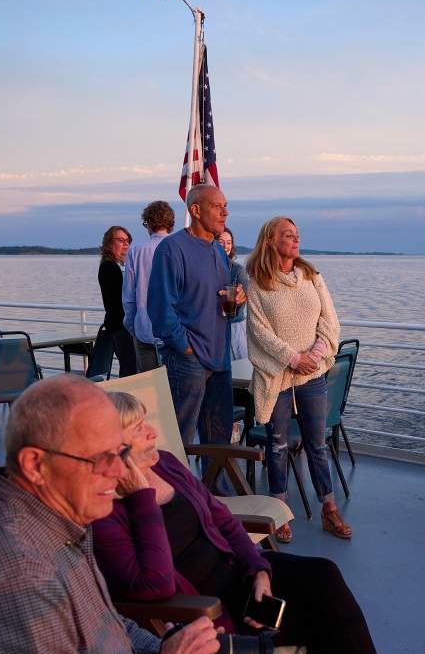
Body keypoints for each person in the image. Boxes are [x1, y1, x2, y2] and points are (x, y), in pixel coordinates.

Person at [92, 390, 401, 654]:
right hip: (204, 611)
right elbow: (153, 585)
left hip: (238, 577)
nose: (153, 432)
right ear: (115, 448)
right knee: (320, 622)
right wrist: (141, 496)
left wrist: (258, 570)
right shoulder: (103, 510)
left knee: (323, 577)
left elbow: (221, 518)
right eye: (139, 429)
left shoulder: (166, 463)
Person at [0, 375, 279, 654]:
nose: (119, 472)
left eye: (122, 453)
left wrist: (164, 650)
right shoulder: (20, 575)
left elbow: (108, 623)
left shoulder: (57, 517)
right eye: (103, 458)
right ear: (35, 465)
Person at [245, 216, 348, 542]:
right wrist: (293, 358)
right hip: (277, 376)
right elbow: (258, 331)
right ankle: (280, 512)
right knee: (277, 445)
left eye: (297, 234)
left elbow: (329, 320)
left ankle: (329, 509)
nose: (295, 239)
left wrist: (313, 356)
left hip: (312, 375)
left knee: (317, 444)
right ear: (271, 240)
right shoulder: (258, 282)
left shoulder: (311, 276)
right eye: (287, 235)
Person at [148, 184, 245, 457]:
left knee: (219, 438)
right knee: (179, 440)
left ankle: (215, 495)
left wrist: (236, 299)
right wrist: (186, 348)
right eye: (218, 206)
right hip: (187, 362)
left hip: (219, 358)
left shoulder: (217, 251)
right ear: (195, 210)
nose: (225, 212)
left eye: (226, 206)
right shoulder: (172, 249)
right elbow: (159, 310)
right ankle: (176, 498)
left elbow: (218, 302)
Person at [123, 200, 174, 372]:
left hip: (144, 329)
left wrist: (133, 326)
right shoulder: (178, 248)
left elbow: (129, 296)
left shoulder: (136, 251)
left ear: (149, 223)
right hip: (172, 332)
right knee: (173, 389)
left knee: (148, 390)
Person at [98, 225, 137, 377]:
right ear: (109, 243)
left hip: (121, 326)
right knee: (130, 370)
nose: (125, 244)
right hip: (121, 327)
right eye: (120, 240)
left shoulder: (118, 266)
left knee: (130, 368)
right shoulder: (109, 267)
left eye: (127, 240)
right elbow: (119, 301)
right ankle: (127, 400)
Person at [218, 228, 249, 360]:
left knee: (236, 372)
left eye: (229, 242)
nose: (226, 246)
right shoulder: (205, 269)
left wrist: (238, 298)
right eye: (221, 242)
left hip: (234, 329)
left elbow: (244, 300)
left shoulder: (238, 270)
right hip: (213, 329)